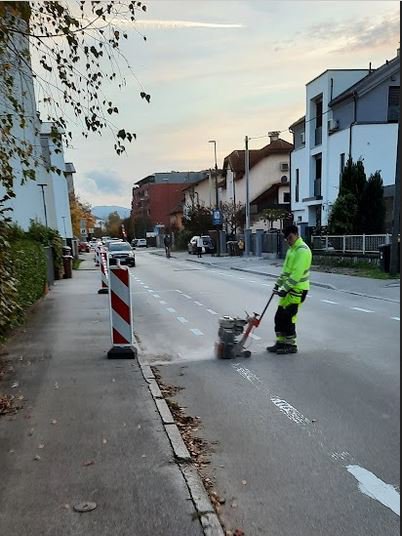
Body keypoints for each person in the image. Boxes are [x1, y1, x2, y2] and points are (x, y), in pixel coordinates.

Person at [267, 225, 312, 355]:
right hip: (288, 290)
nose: (288, 241)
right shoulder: (291, 250)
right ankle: (280, 342)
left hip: (298, 290)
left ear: (296, 234)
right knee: (279, 316)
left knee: (288, 317)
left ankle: (291, 345)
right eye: (286, 239)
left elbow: (296, 275)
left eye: (290, 238)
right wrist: (277, 285)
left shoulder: (302, 251)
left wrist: (284, 289)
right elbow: (286, 272)